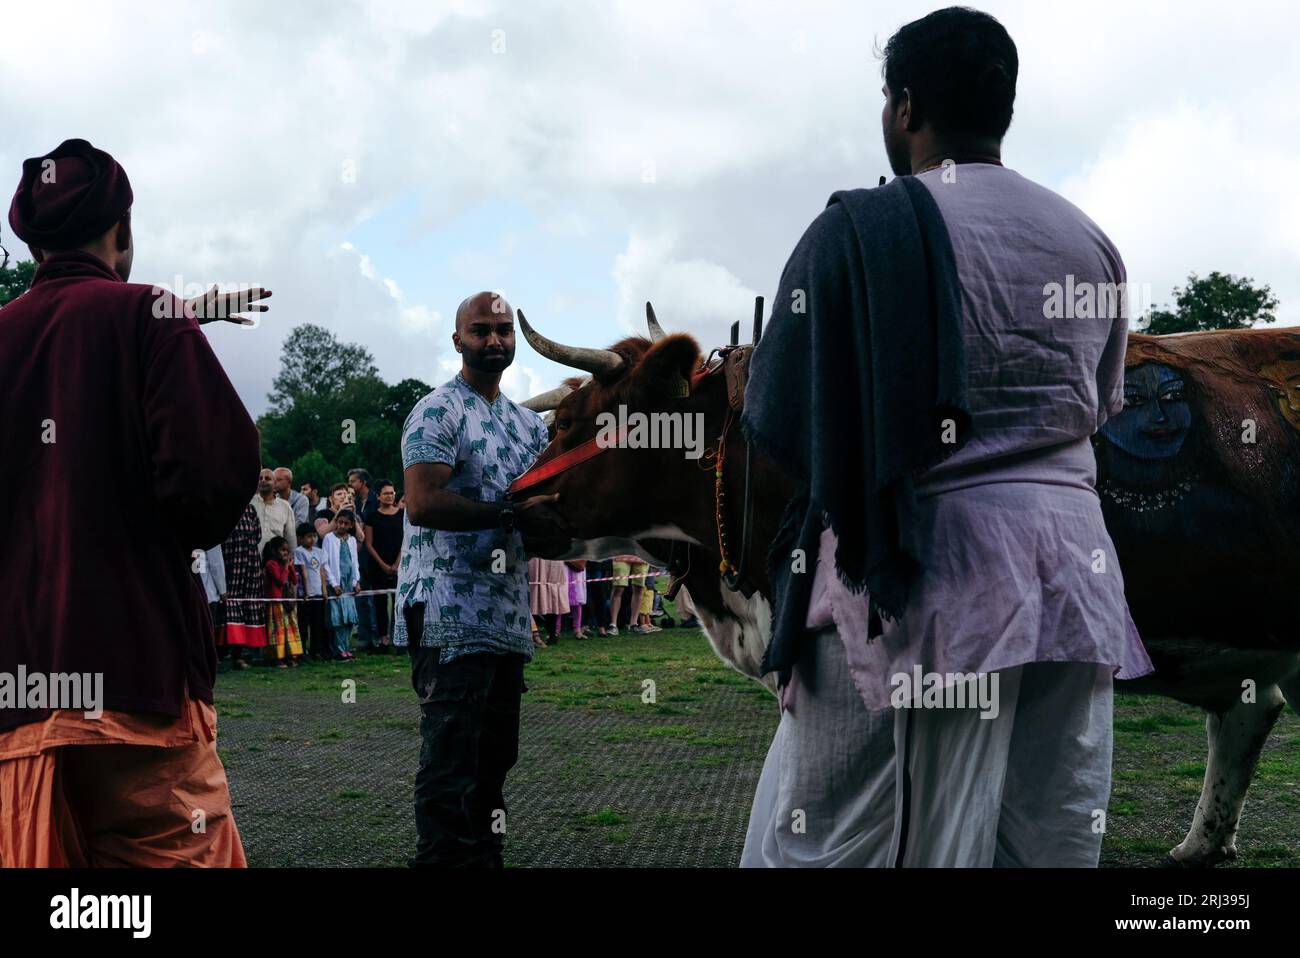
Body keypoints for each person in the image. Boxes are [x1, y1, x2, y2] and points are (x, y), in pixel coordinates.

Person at [739, 8, 1151, 869]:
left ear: (904, 106)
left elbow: (783, 422)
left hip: (922, 577)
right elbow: (1099, 407)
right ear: (1004, 107)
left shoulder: (856, 235)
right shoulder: (1090, 242)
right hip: (1071, 576)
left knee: (843, 838)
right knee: (1048, 832)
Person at [0, 138, 266, 866]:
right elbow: (212, 479)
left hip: (17, 701)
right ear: (121, 232)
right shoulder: (150, 316)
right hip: (136, 683)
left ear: (32, 245)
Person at [396, 290, 567, 868]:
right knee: (450, 758)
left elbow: (552, 506)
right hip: (446, 611)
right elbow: (421, 502)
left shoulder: (527, 426)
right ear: (458, 340)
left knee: (495, 758)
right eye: (481, 330)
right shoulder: (437, 410)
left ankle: (484, 859)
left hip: (505, 615)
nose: (494, 340)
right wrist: (510, 514)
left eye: (503, 330)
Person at [220, 500, 269, 670]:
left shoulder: (250, 510)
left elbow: (257, 535)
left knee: (250, 608)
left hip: (250, 567)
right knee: (229, 609)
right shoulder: (222, 509)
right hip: (229, 567)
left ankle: (244, 654)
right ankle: (227, 654)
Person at [363, 479, 404, 652]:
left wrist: (397, 563)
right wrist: (382, 564)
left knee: (399, 603)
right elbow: (369, 543)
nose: (389, 496)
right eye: (386, 493)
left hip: (399, 564)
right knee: (380, 603)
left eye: (392, 492)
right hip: (378, 565)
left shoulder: (402, 515)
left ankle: (400, 638)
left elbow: (406, 541)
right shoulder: (372, 517)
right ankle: (384, 639)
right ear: (378, 496)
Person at [348, 467, 380, 650]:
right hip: (358, 553)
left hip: (373, 553)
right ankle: (365, 634)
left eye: (353, 481)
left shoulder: (374, 501)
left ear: (363, 482)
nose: (350, 485)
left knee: (374, 597)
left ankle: (376, 634)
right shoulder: (356, 502)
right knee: (361, 595)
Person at [323, 509, 360, 661]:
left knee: (349, 619)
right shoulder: (329, 538)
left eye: (346, 523)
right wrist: (333, 583)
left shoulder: (351, 540)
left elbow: (354, 562)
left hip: (348, 585)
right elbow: (325, 563)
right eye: (340, 522)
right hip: (336, 585)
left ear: (351, 525)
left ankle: (346, 647)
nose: (342, 526)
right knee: (337, 619)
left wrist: (356, 581)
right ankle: (338, 650)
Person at [262, 536, 302, 668]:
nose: (285, 553)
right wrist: (285, 566)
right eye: (282, 550)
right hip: (276, 602)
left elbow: (294, 581)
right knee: (277, 630)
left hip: (288, 603)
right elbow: (280, 581)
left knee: (290, 628)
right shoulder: (271, 564)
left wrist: (290, 567)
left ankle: (291, 655)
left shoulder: (286, 564)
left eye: (287, 550)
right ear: (274, 551)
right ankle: (277, 657)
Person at [294, 522, 331, 661]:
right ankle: (301, 650)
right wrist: (306, 592)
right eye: (309, 537)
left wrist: (324, 590)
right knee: (303, 624)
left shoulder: (319, 552)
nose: (312, 539)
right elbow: (303, 573)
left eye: (314, 536)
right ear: (301, 538)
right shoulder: (299, 552)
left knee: (318, 624)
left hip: (319, 594)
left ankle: (316, 651)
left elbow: (322, 572)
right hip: (306, 596)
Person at [251, 466, 296, 554]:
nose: (263, 480)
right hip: (252, 558)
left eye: (267, 478)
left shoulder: (285, 506)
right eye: (260, 478)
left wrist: (292, 557)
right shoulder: (250, 503)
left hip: (276, 559)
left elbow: (290, 536)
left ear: (275, 483)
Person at [528, 557, 570, 645]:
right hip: (548, 560)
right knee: (544, 596)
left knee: (541, 597)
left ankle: (546, 634)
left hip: (546, 560)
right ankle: (549, 634)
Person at [565, 559, 588, 639]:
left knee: (577, 602)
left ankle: (577, 630)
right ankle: (556, 631)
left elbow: (581, 565)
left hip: (577, 574)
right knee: (560, 601)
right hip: (563, 571)